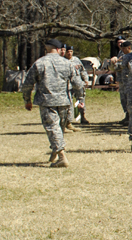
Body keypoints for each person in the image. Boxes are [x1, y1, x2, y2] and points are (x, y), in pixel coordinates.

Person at [21, 39, 86, 167]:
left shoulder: (39, 63)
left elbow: (27, 84)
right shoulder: (67, 63)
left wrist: (27, 100)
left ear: (47, 49)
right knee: (59, 129)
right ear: (58, 49)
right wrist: (80, 99)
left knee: (53, 128)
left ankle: (61, 156)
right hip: (64, 101)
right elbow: (78, 84)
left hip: (47, 101)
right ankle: (55, 152)